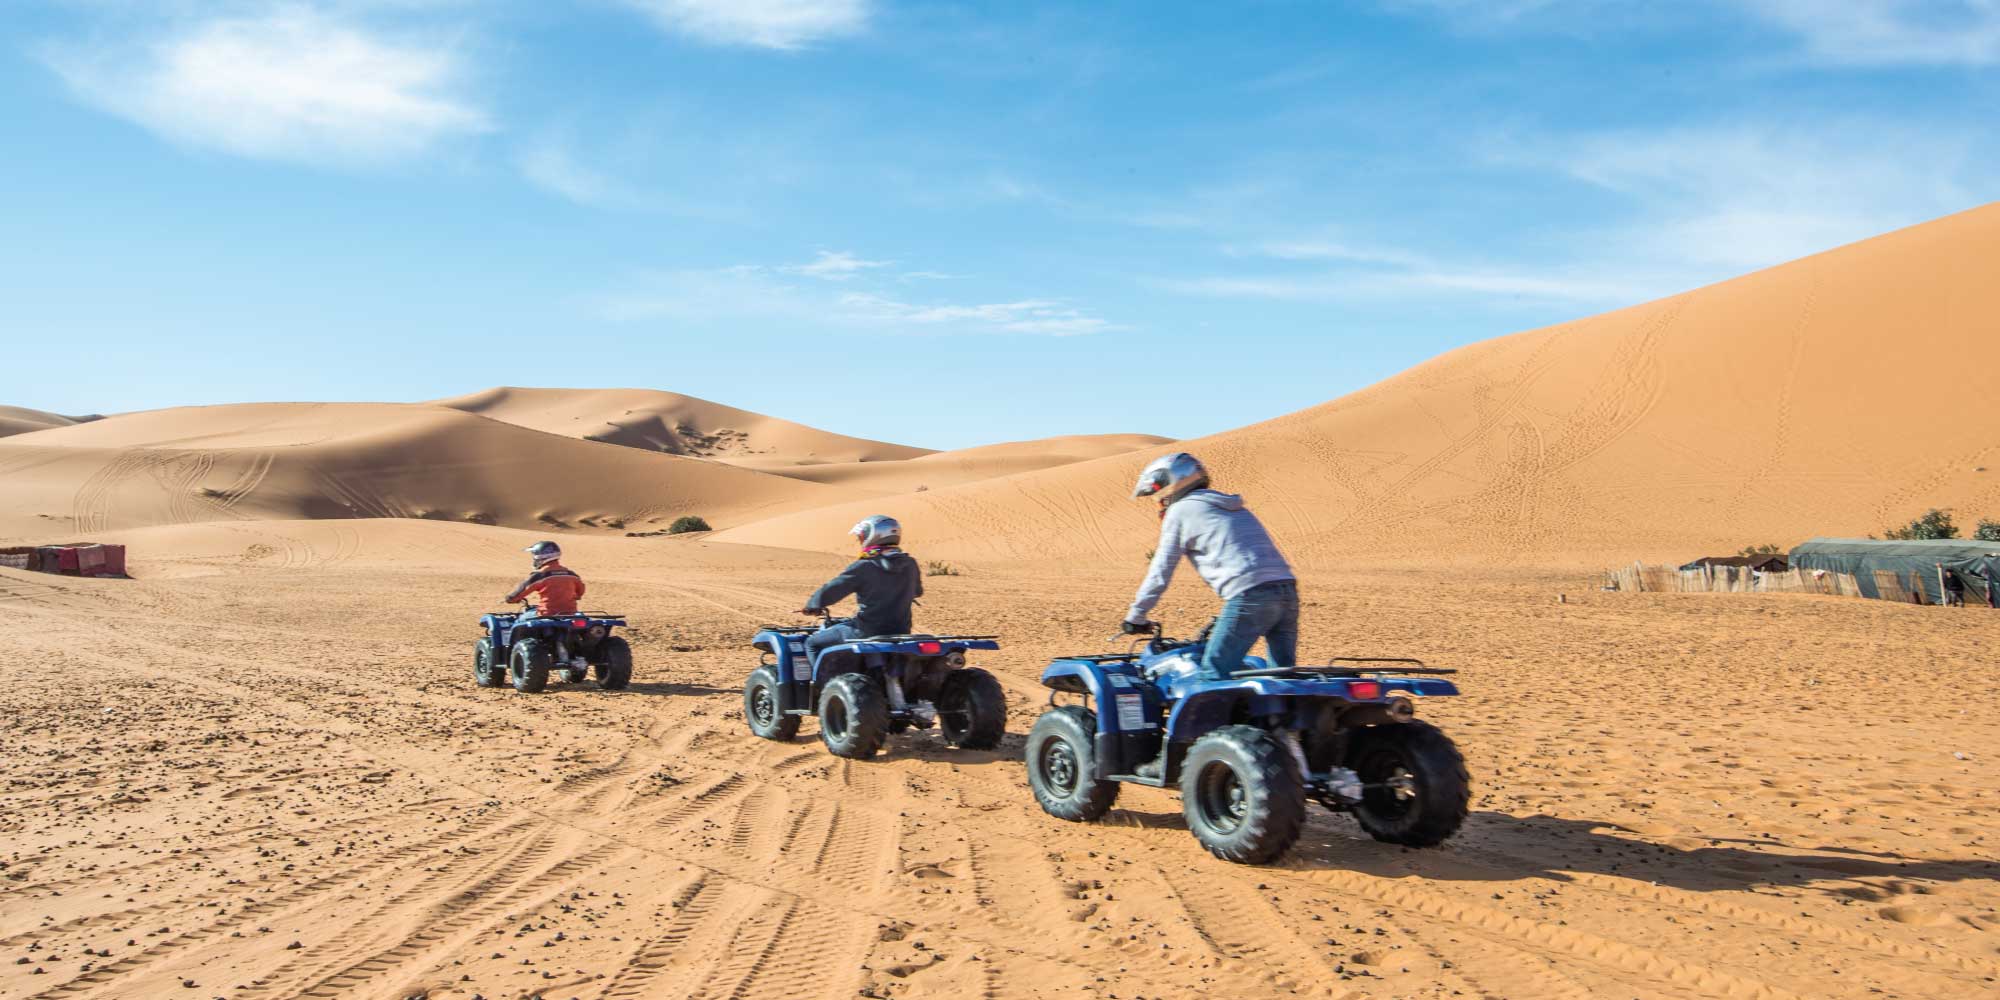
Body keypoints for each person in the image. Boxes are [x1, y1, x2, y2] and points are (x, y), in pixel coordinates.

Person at [1124, 452, 1298, 682]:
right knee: (1282, 678)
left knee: (1214, 675)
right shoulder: (1232, 506)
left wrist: (1136, 616)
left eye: (1157, 495)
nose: (1159, 502)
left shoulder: (1181, 511)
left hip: (1249, 596)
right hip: (1287, 591)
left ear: (1169, 485)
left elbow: (1161, 570)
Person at [799, 515, 925, 712]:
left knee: (812, 643)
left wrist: (813, 604)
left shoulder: (865, 565)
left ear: (874, 536)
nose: (860, 540)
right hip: (901, 631)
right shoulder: (909, 564)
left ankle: (828, 695)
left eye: (862, 536)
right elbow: (917, 591)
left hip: (866, 631)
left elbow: (833, 589)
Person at [506, 540, 586, 617]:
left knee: (521, 618)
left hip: (546, 614)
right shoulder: (572, 575)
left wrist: (511, 598)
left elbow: (522, 590)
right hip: (571, 614)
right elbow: (580, 591)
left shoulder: (540, 575)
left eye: (534, 555)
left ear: (541, 557)